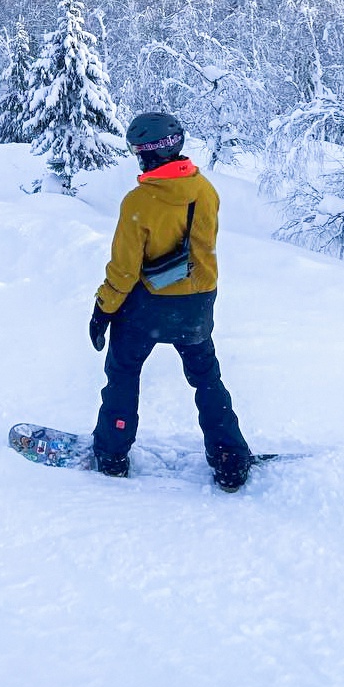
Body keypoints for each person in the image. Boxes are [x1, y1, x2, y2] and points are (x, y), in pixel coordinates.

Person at [89, 112, 252, 491]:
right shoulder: (205, 190)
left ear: (148, 152)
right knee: (207, 380)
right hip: (197, 305)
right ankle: (229, 455)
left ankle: (113, 453)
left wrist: (103, 309)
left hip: (147, 308)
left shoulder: (139, 202)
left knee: (123, 374)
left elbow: (124, 270)